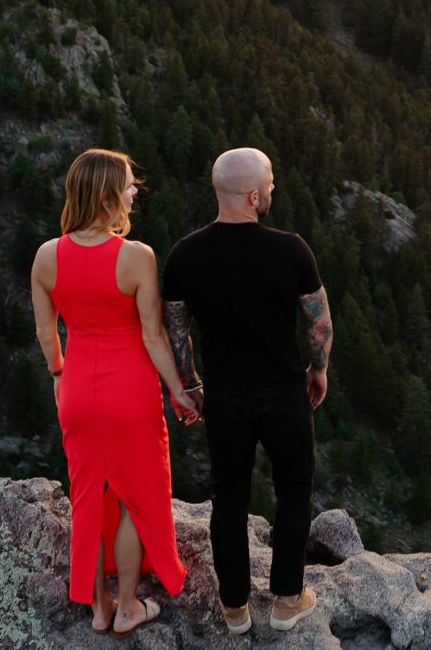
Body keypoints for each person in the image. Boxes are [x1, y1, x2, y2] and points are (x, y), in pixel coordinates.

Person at [162, 147, 334, 635]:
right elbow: (319, 322)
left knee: (229, 499)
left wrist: (190, 384)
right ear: (255, 194)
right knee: (294, 489)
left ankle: (234, 609)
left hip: (225, 395)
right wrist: (316, 370)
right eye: (272, 184)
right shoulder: (291, 248)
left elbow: (176, 329)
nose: (274, 191)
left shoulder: (185, 254)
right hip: (283, 390)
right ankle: (286, 601)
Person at [30, 149, 200, 637]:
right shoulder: (136, 257)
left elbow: (47, 333)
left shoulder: (46, 256)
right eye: (127, 185)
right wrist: (181, 389)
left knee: (87, 498)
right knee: (131, 498)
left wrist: (59, 376)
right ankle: (128, 607)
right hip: (131, 391)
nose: (133, 193)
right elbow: (153, 335)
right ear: (107, 196)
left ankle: (98, 607)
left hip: (79, 388)